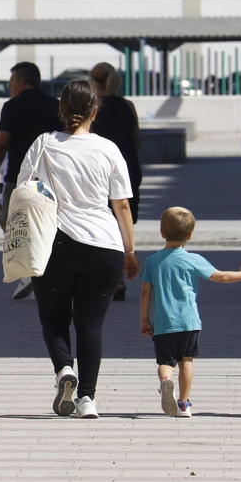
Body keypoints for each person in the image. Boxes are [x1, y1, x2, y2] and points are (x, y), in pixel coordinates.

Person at [19, 78, 137, 418]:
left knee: (53, 317)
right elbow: (122, 205)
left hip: (53, 244)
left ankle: (64, 369)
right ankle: (87, 400)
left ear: (60, 109)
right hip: (104, 246)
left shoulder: (44, 144)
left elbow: (24, 188)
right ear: (95, 111)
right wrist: (130, 252)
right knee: (90, 324)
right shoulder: (108, 149)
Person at [139, 206, 241, 418]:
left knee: (165, 362)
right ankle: (183, 404)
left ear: (162, 233)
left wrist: (144, 320)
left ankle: (166, 382)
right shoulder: (194, 259)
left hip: (163, 324)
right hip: (189, 323)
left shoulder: (152, 261)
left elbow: (145, 292)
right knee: (186, 361)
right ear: (190, 235)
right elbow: (221, 277)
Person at [0, 62, 60, 299]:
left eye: (11, 81)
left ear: (22, 82)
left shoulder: (12, 106)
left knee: (12, 224)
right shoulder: (55, 105)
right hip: (51, 177)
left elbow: (1, 143)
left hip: (19, 178)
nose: (9, 86)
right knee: (47, 225)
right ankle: (45, 275)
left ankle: (29, 275)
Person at [88, 61, 142, 302]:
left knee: (101, 224)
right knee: (123, 224)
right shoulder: (127, 105)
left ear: (94, 81)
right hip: (129, 169)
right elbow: (137, 140)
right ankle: (118, 280)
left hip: (100, 171)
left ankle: (105, 279)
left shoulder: (93, 107)